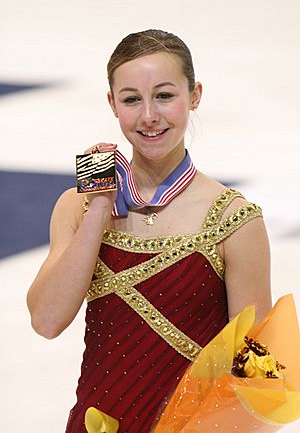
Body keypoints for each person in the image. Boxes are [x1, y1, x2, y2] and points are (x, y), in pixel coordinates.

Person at [27, 29, 272, 433]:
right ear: (112, 104)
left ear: (194, 96)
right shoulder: (78, 205)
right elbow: (47, 321)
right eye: (131, 99)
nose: (148, 116)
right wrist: (99, 208)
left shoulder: (234, 220)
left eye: (164, 95)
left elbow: (257, 374)